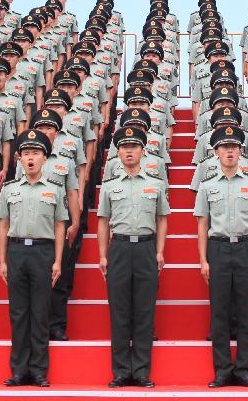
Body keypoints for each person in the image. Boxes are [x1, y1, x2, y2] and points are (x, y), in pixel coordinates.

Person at [194, 125, 248, 388]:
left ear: (241, 151)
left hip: (247, 247)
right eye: (225, 147)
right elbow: (202, 224)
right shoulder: (207, 186)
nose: (230, 151)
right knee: (220, 312)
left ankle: (247, 369)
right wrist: (203, 259)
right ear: (216, 152)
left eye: (234, 147)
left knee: (247, 311)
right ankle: (223, 370)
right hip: (218, 248)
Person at [97, 126, 169, 388]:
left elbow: (162, 219)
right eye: (124, 147)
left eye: (134, 146)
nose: (129, 151)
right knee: (119, 311)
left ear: (142, 151)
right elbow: (103, 222)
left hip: (146, 249)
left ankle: (140, 370)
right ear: (117, 152)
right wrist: (102, 255)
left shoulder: (155, 184)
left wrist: (160, 251)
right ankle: (120, 371)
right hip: (119, 249)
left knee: (144, 311)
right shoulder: (109, 186)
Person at [0, 129, 67, 387]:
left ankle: (38, 370)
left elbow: (60, 226)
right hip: (16, 251)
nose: (30, 158)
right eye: (26, 153)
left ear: (45, 158)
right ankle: (18, 369)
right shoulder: (10, 189)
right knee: (18, 313)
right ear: (19, 158)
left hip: (43, 251)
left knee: (40, 312)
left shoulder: (55, 189)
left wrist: (58, 260)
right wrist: (2, 260)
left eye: (35, 153)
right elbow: (3, 225)